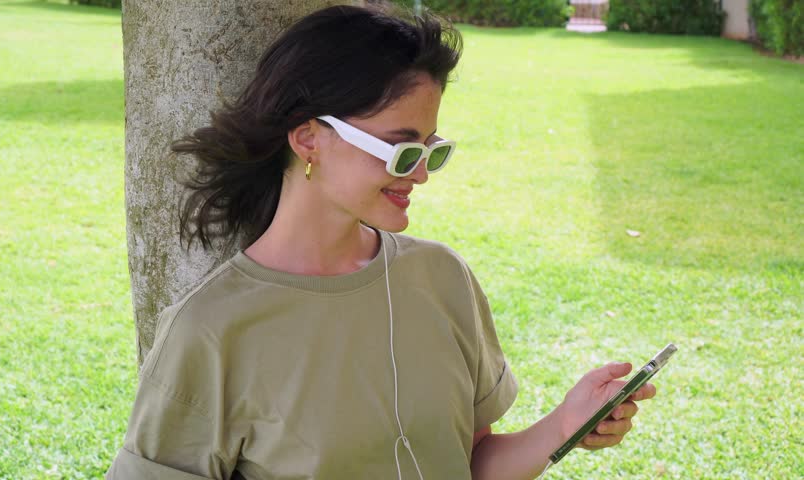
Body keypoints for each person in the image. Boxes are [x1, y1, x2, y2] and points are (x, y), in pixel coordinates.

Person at [107, 5, 656, 480]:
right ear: (308, 140)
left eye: (432, 151)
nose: (420, 177)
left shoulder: (443, 279)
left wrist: (564, 424)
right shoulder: (210, 331)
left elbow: (470, 462)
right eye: (402, 151)